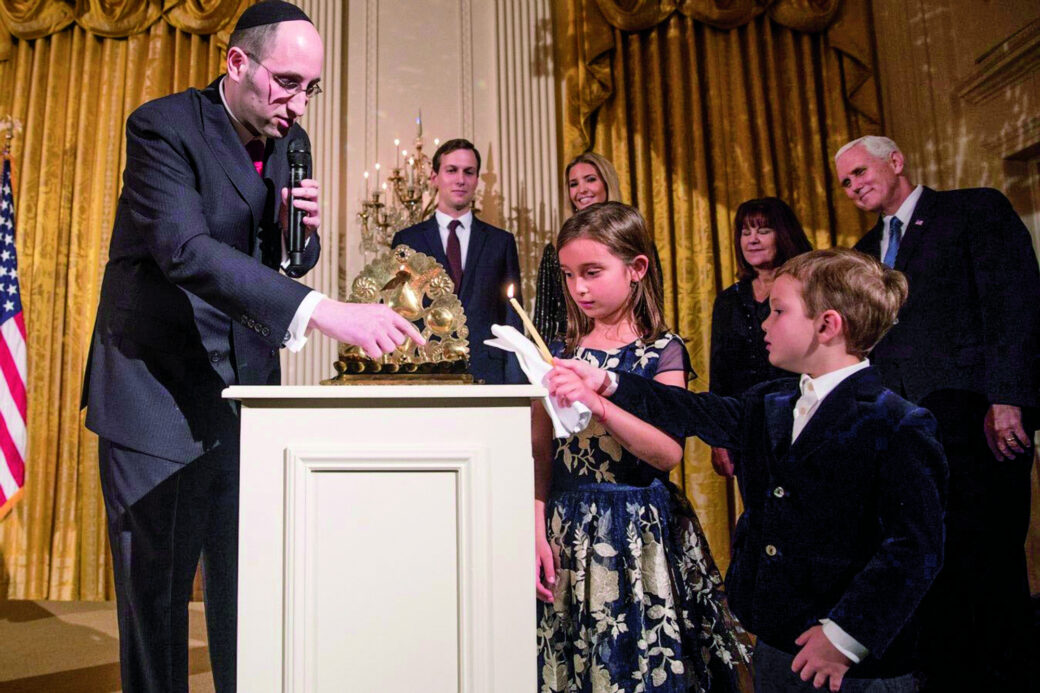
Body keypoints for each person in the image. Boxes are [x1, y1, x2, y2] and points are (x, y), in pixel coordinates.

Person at [82, 3, 422, 692]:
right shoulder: (162, 127)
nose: (299, 104)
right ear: (237, 63)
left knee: (249, 599)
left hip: (244, 400)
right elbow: (186, 251)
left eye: (310, 89)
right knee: (159, 605)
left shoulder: (285, 139)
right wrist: (324, 310)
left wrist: (304, 234)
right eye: (288, 83)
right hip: (156, 397)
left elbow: (278, 261)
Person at [550, 248, 947, 693]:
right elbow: (691, 409)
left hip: (855, 664)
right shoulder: (770, 401)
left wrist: (843, 638)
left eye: (778, 311)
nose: (764, 324)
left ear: (828, 325)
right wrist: (608, 382)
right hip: (777, 638)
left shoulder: (897, 422)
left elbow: (914, 548)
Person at [834, 135, 1040, 691]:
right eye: (845, 182)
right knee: (932, 573)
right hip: (905, 438)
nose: (854, 186)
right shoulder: (861, 252)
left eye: (860, 172)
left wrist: (1008, 398)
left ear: (896, 161)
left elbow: (1014, 304)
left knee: (990, 567)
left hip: (979, 423)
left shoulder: (972, 209)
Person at [533, 201, 752, 693]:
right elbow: (539, 451)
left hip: (639, 532)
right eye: (568, 275)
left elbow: (667, 454)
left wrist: (599, 402)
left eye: (592, 272)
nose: (578, 288)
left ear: (636, 269)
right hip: (566, 527)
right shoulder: (560, 351)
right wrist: (534, 527)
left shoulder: (662, 351)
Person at [391, 138, 523, 384]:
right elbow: (398, 313)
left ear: (476, 179)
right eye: (452, 170)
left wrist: (517, 383)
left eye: (469, 172)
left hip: (489, 373)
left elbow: (512, 317)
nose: (460, 179)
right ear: (434, 177)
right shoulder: (407, 240)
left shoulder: (501, 242)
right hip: (425, 370)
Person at [709, 197, 812, 476]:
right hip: (747, 431)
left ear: (784, 234)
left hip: (804, 422)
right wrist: (719, 440)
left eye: (763, 230)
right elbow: (719, 375)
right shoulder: (728, 300)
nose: (752, 240)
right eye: (746, 232)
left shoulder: (810, 288)